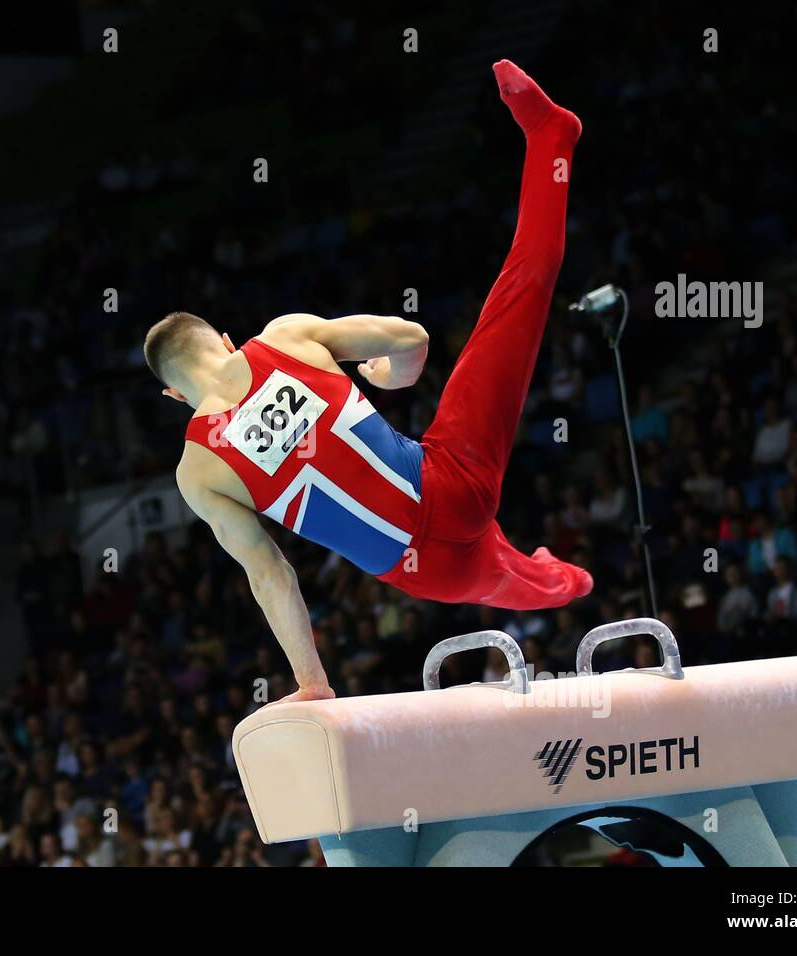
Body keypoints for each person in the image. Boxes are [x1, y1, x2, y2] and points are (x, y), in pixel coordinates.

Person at [143, 61, 589, 702]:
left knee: (514, 584)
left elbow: (271, 575)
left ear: (174, 396)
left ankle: (564, 581)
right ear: (223, 339)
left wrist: (313, 683)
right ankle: (551, 139)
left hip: (426, 571)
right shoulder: (285, 337)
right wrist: (393, 376)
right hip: (451, 480)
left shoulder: (198, 469)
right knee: (521, 287)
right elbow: (413, 339)